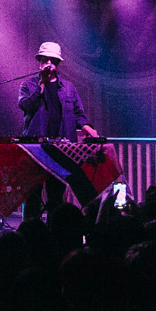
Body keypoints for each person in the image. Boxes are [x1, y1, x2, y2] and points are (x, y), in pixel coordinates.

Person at [18, 42, 98, 220]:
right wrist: (42, 85)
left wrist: (87, 127)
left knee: (56, 197)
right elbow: (25, 105)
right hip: (35, 149)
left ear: (57, 64)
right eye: (44, 60)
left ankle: (55, 236)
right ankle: (31, 234)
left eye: (52, 61)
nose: (48, 64)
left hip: (61, 149)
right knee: (33, 197)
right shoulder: (28, 85)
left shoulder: (68, 87)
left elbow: (78, 114)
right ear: (39, 62)